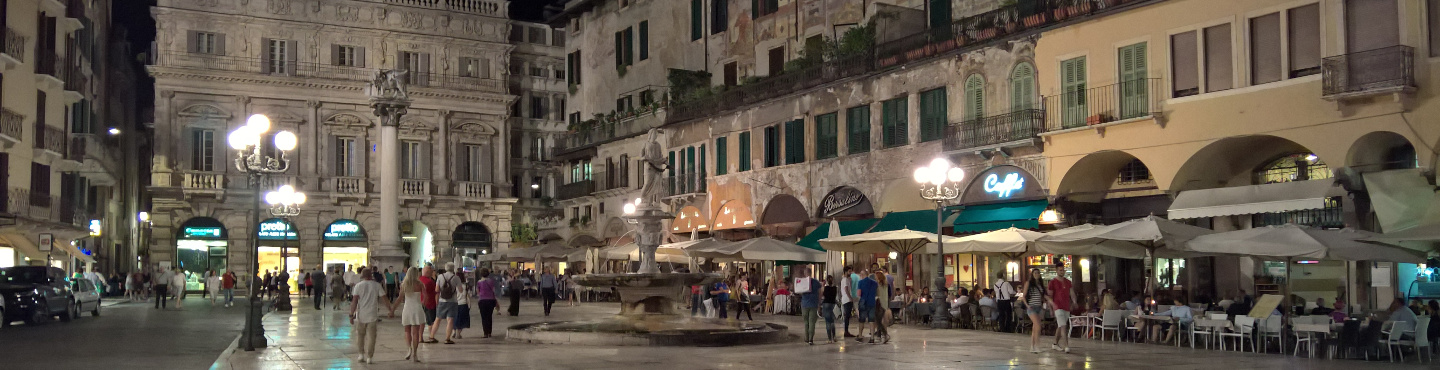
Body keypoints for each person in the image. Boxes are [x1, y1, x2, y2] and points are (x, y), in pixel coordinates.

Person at [348, 267, 390, 364]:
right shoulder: (377, 285)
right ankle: (370, 357)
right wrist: (390, 310)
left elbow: (354, 301)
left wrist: (351, 314)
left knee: (360, 336)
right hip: (372, 314)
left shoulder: (358, 286)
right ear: (371, 275)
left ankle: (361, 354)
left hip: (361, 315)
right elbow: (384, 298)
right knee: (372, 337)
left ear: (362, 276)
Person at [389, 267, 425, 363]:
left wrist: (392, 310)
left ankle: (409, 348)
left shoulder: (404, 284)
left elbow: (399, 299)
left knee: (407, 331)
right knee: (416, 332)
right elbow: (425, 299)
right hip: (417, 308)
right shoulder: (420, 284)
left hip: (407, 308)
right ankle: (415, 354)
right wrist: (421, 304)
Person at [428, 264, 461, 344]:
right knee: (450, 320)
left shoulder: (440, 276)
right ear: (453, 268)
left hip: (442, 300)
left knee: (437, 319)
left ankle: (432, 336)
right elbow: (461, 290)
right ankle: (447, 339)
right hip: (453, 301)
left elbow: (437, 289)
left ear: (445, 268)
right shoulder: (456, 277)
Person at [1048, 262, 1075, 353]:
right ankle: (1066, 345)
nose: (1062, 272)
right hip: (1057, 306)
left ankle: (1055, 344)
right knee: (1063, 326)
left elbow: (1071, 293)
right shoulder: (1052, 282)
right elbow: (1050, 296)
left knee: (1060, 326)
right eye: (1060, 270)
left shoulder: (1068, 282)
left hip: (1066, 306)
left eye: (1063, 270)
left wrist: (1074, 302)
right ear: (1056, 271)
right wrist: (1051, 308)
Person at [1019, 268, 1046, 353]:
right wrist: (1027, 305)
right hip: (1032, 307)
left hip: (1038, 307)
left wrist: (1043, 304)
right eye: (1035, 273)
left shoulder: (1040, 284)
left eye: (1038, 273)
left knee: (1035, 328)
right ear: (1032, 274)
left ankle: (1032, 346)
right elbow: (1023, 296)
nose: (1037, 274)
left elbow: (1042, 295)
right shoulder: (1028, 283)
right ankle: (1037, 345)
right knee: (1038, 326)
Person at [796, 268, 822, 344]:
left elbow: (799, 292)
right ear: (811, 273)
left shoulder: (803, 282)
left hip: (804, 304)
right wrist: (819, 303)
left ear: (805, 273)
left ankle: (806, 338)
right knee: (812, 322)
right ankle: (811, 339)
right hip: (813, 304)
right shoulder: (816, 282)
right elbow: (820, 293)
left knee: (806, 322)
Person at [475, 269, 498, 338]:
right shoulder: (491, 281)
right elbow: (493, 290)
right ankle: (489, 332)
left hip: (482, 300)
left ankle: (485, 332)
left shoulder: (479, 282)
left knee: (484, 317)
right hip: (491, 300)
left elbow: (478, 292)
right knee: (489, 316)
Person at [855, 269, 877, 342]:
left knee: (862, 320)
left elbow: (859, 294)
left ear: (862, 275)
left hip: (863, 303)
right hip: (872, 302)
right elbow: (876, 292)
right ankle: (872, 337)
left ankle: (860, 335)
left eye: (861, 275)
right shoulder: (874, 283)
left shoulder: (860, 282)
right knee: (871, 320)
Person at [871, 270, 891, 344]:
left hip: (878, 303)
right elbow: (889, 294)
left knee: (878, 320)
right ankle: (879, 335)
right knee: (879, 319)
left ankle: (885, 334)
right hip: (884, 303)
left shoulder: (877, 284)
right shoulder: (886, 284)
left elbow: (876, 294)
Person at [452, 271, 472, 339]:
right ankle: (458, 332)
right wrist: (470, 304)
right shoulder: (465, 286)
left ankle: (454, 331)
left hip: (455, 304)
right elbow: (469, 296)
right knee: (462, 320)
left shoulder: (454, 286)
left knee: (454, 318)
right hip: (463, 304)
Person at [821, 275, 839, 343]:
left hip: (826, 304)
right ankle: (834, 336)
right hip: (833, 304)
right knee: (832, 321)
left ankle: (829, 339)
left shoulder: (825, 288)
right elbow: (834, 297)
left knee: (827, 322)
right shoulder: (835, 288)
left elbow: (823, 295)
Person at [840, 265, 855, 338]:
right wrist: (850, 297)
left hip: (846, 299)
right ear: (845, 272)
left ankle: (846, 330)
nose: (850, 272)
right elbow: (846, 289)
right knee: (847, 316)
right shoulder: (845, 280)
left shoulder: (847, 279)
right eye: (849, 271)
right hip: (847, 299)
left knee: (848, 316)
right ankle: (846, 331)